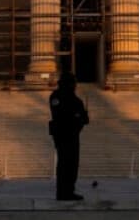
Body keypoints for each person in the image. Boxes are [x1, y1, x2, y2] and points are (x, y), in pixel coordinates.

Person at [49, 72, 89, 200]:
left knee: (72, 164)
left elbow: (84, 118)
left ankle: (69, 191)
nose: (75, 86)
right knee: (64, 164)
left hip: (73, 134)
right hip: (62, 135)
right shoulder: (56, 96)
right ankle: (62, 192)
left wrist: (77, 117)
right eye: (73, 83)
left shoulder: (77, 100)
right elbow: (59, 114)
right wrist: (75, 116)